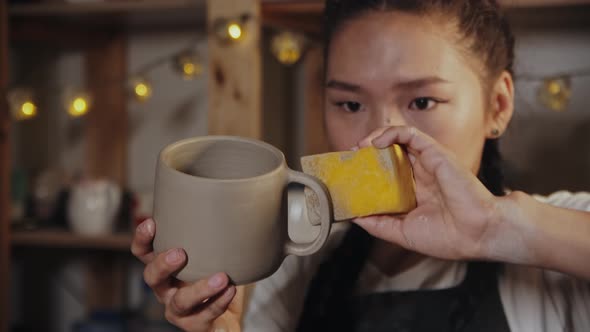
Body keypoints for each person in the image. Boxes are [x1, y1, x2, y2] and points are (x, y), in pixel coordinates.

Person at [131, 0, 590, 331]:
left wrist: (493, 228)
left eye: (422, 101)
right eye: (349, 104)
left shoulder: (556, 243)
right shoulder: (298, 261)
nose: (378, 139)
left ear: (498, 105)